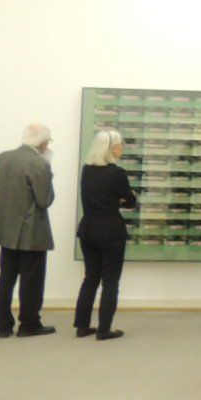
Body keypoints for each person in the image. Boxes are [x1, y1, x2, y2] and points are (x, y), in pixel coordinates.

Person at [0, 123, 57, 338]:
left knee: (6, 277)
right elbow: (44, 200)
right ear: (43, 143)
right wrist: (48, 175)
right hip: (32, 232)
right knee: (32, 279)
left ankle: (3, 326)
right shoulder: (40, 163)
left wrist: (2, 217)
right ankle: (29, 324)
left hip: (5, 231)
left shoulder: (0, 159)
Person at [74, 128, 136, 341]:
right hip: (111, 231)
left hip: (88, 229)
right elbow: (130, 201)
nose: (122, 149)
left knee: (90, 279)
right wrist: (119, 200)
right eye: (119, 145)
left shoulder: (87, 170)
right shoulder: (117, 173)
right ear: (110, 148)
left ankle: (82, 326)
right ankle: (104, 329)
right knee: (110, 282)